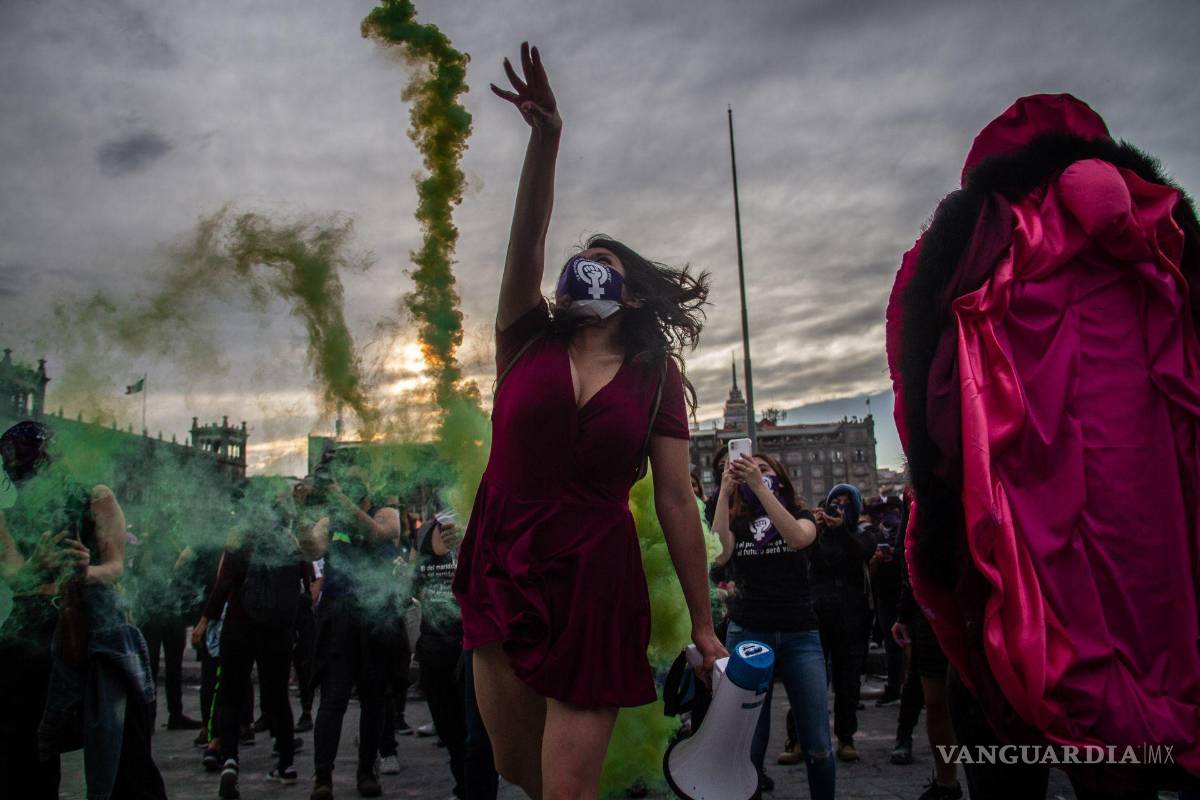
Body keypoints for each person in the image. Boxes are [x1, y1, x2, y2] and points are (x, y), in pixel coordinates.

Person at [887, 93, 1200, 796]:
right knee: (1128, 752)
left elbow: (921, 391)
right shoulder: (1161, 234)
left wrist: (939, 501)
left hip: (1013, 541)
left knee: (1003, 738)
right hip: (1148, 549)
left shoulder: (975, 241)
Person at [451, 42, 725, 800]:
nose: (585, 266)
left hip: (595, 580)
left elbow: (674, 499)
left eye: (603, 261)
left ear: (630, 294)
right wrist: (547, 138)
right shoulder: (525, 335)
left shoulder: (655, 378)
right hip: (504, 556)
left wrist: (703, 625)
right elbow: (527, 238)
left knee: (565, 793)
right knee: (518, 772)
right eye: (582, 258)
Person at [0, 420, 167, 800]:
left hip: (97, 625)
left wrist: (83, 571)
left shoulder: (95, 496)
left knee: (125, 746)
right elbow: (13, 575)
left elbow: (115, 567)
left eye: (28, 459)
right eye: (12, 463)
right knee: (21, 752)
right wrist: (35, 568)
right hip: (32, 633)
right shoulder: (6, 515)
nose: (20, 471)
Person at [711, 452, 834, 800]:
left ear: (779, 477)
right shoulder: (737, 520)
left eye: (764, 469)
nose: (756, 472)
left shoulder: (801, 514)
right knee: (750, 745)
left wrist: (760, 489)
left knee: (819, 745)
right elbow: (719, 556)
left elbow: (797, 538)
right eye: (751, 468)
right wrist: (724, 492)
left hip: (800, 635)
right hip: (749, 632)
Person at [193, 491, 307, 798]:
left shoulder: (242, 541)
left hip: (239, 630)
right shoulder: (290, 544)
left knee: (231, 694)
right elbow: (305, 589)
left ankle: (230, 759)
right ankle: (285, 763)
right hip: (278, 634)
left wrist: (205, 620)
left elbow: (223, 584)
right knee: (277, 697)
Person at [298, 469, 403, 800]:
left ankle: (366, 771)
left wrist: (343, 500)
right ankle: (322, 777)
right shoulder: (331, 521)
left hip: (374, 621)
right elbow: (311, 550)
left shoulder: (387, 514)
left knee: (374, 701)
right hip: (338, 621)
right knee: (332, 702)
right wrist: (302, 518)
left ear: (369, 491)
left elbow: (377, 535)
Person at [809, 483, 875, 762]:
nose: (840, 507)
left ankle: (846, 738)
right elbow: (805, 558)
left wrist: (840, 529)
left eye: (847, 503)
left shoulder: (863, 532)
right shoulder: (819, 534)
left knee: (848, 680)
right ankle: (800, 737)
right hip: (817, 611)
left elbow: (862, 552)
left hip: (852, 615)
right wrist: (811, 528)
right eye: (835, 501)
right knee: (811, 678)